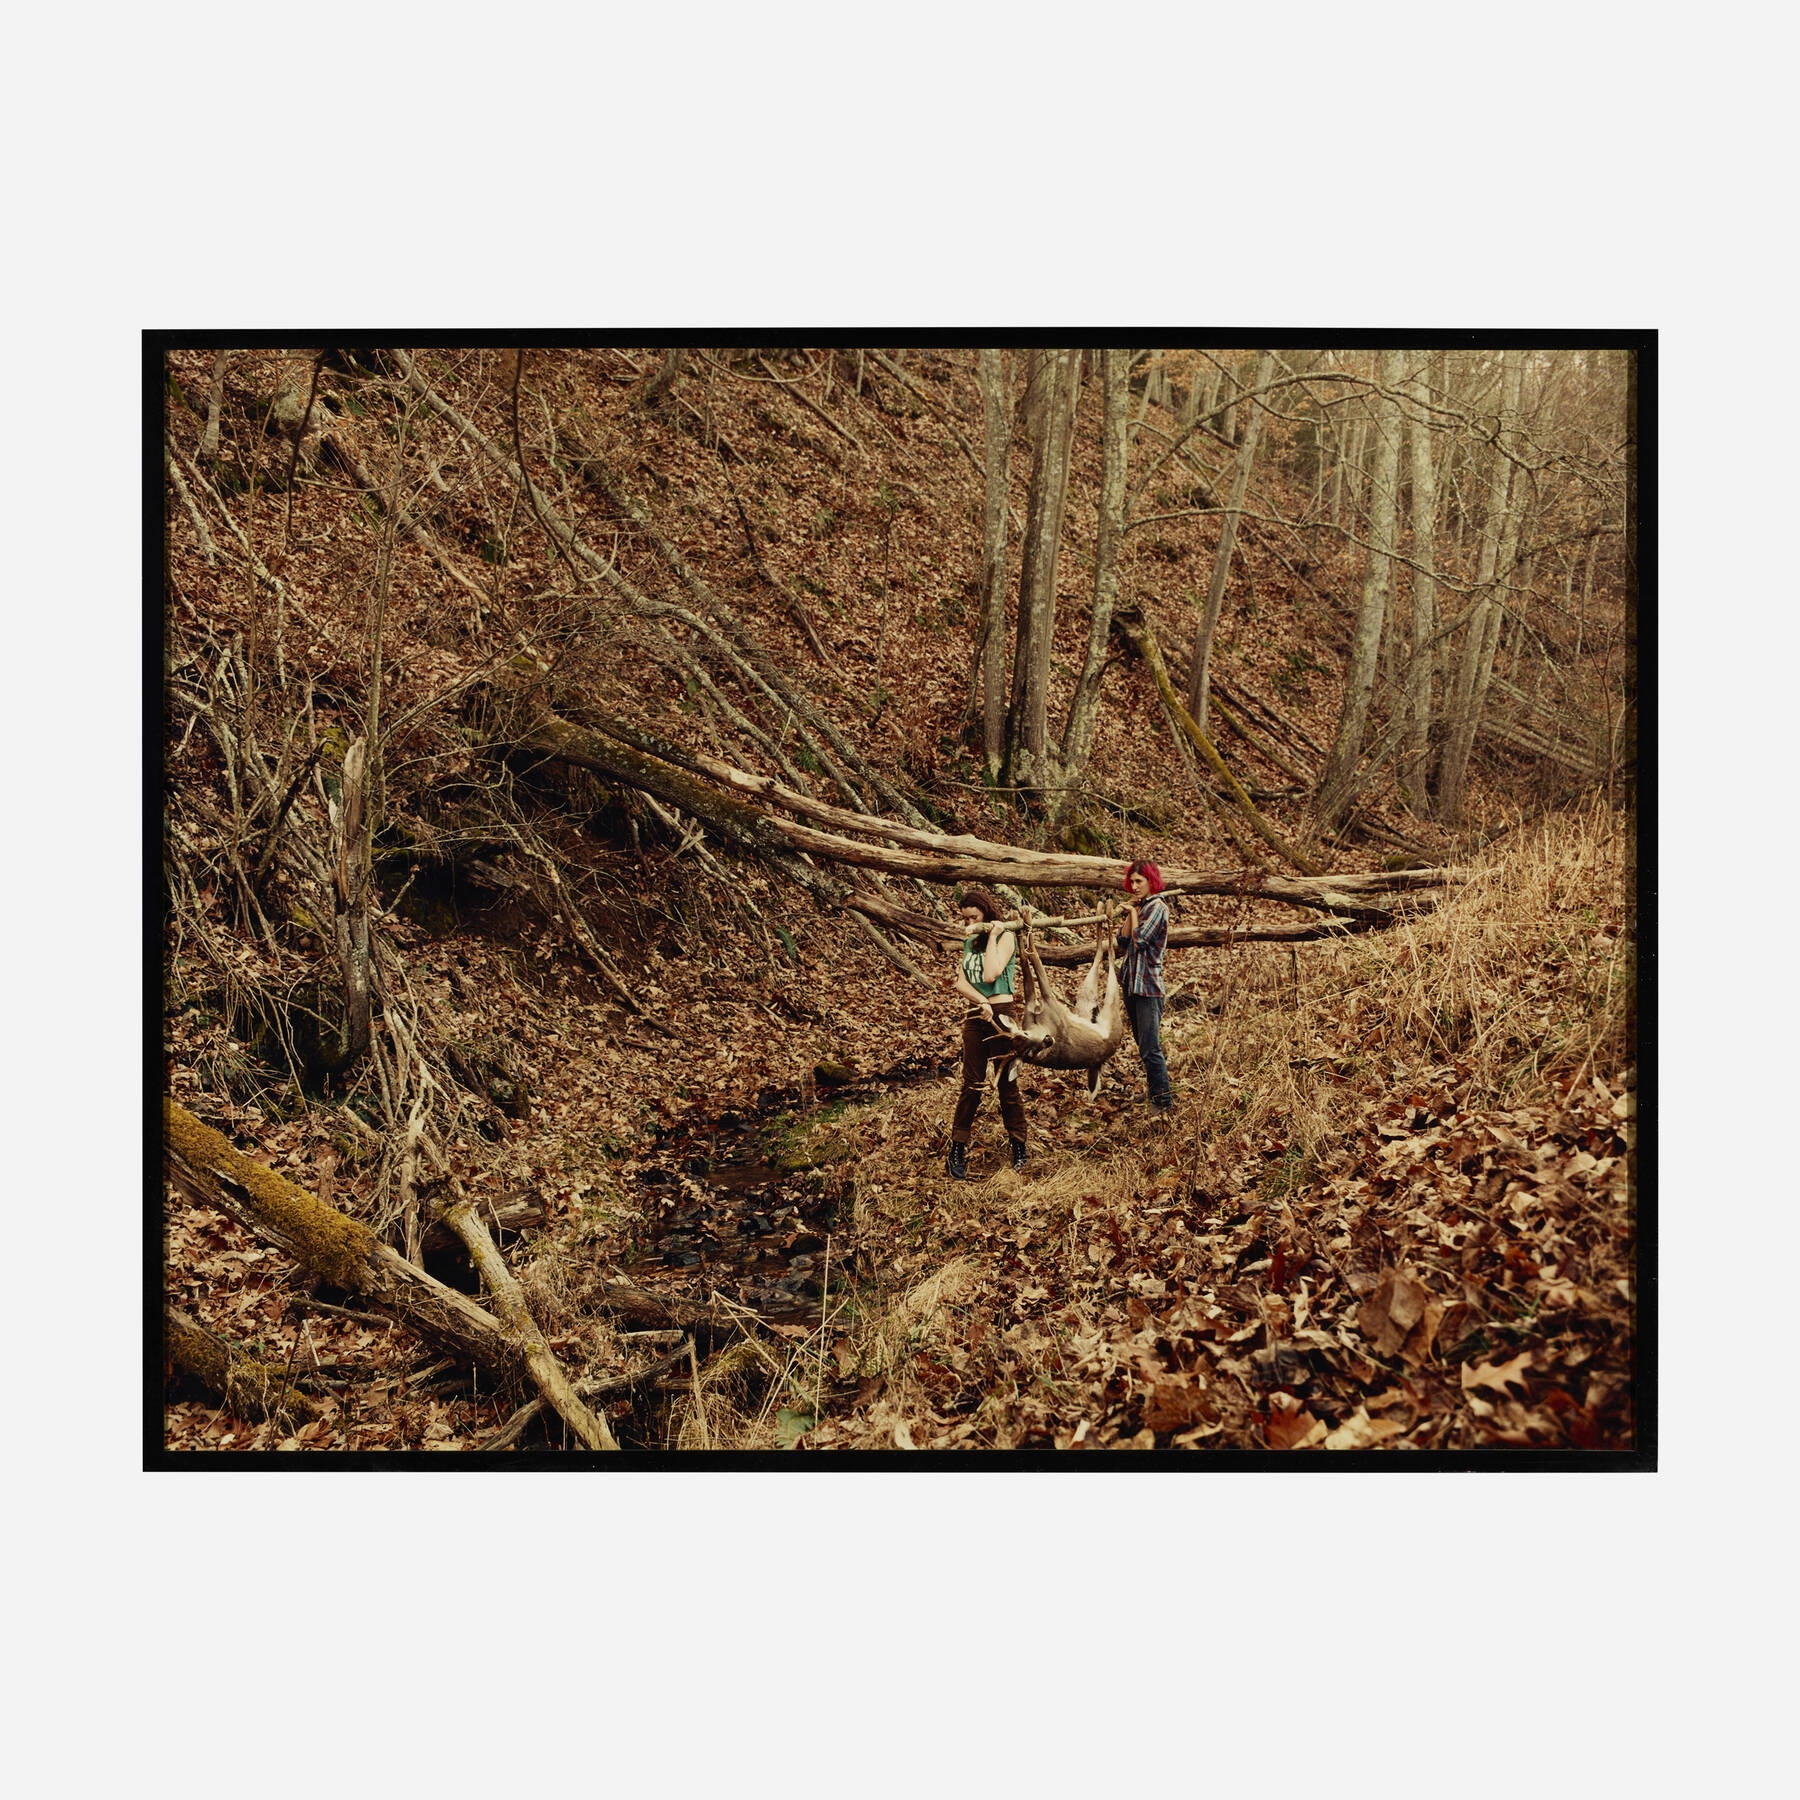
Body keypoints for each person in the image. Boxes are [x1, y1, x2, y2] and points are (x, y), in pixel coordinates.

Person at [944, 885, 1028, 1178]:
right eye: (965, 918)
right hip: (975, 1014)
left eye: (974, 916)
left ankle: (1018, 1145)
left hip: (1002, 1015)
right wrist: (980, 1000)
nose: (969, 924)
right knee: (971, 1084)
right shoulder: (970, 941)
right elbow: (960, 983)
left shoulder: (1004, 936)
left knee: (1007, 1082)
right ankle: (957, 1147)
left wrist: (992, 935)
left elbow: (992, 973)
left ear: (986, 912)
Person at [1118, 859, 1174, 1111]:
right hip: (1132, 984)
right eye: (1132, 881)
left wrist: (1132, 913)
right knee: (1143, 1045)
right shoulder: (1141, 907)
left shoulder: (1158, 907)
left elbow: (1140, 940)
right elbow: (1122, 940)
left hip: (1149, 987)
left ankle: (1163, 1102)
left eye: (1139, 881)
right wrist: (1132, 912)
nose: (1134, 885)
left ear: (1151, 881)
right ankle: (1155, 1092)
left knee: (1151, 1047)